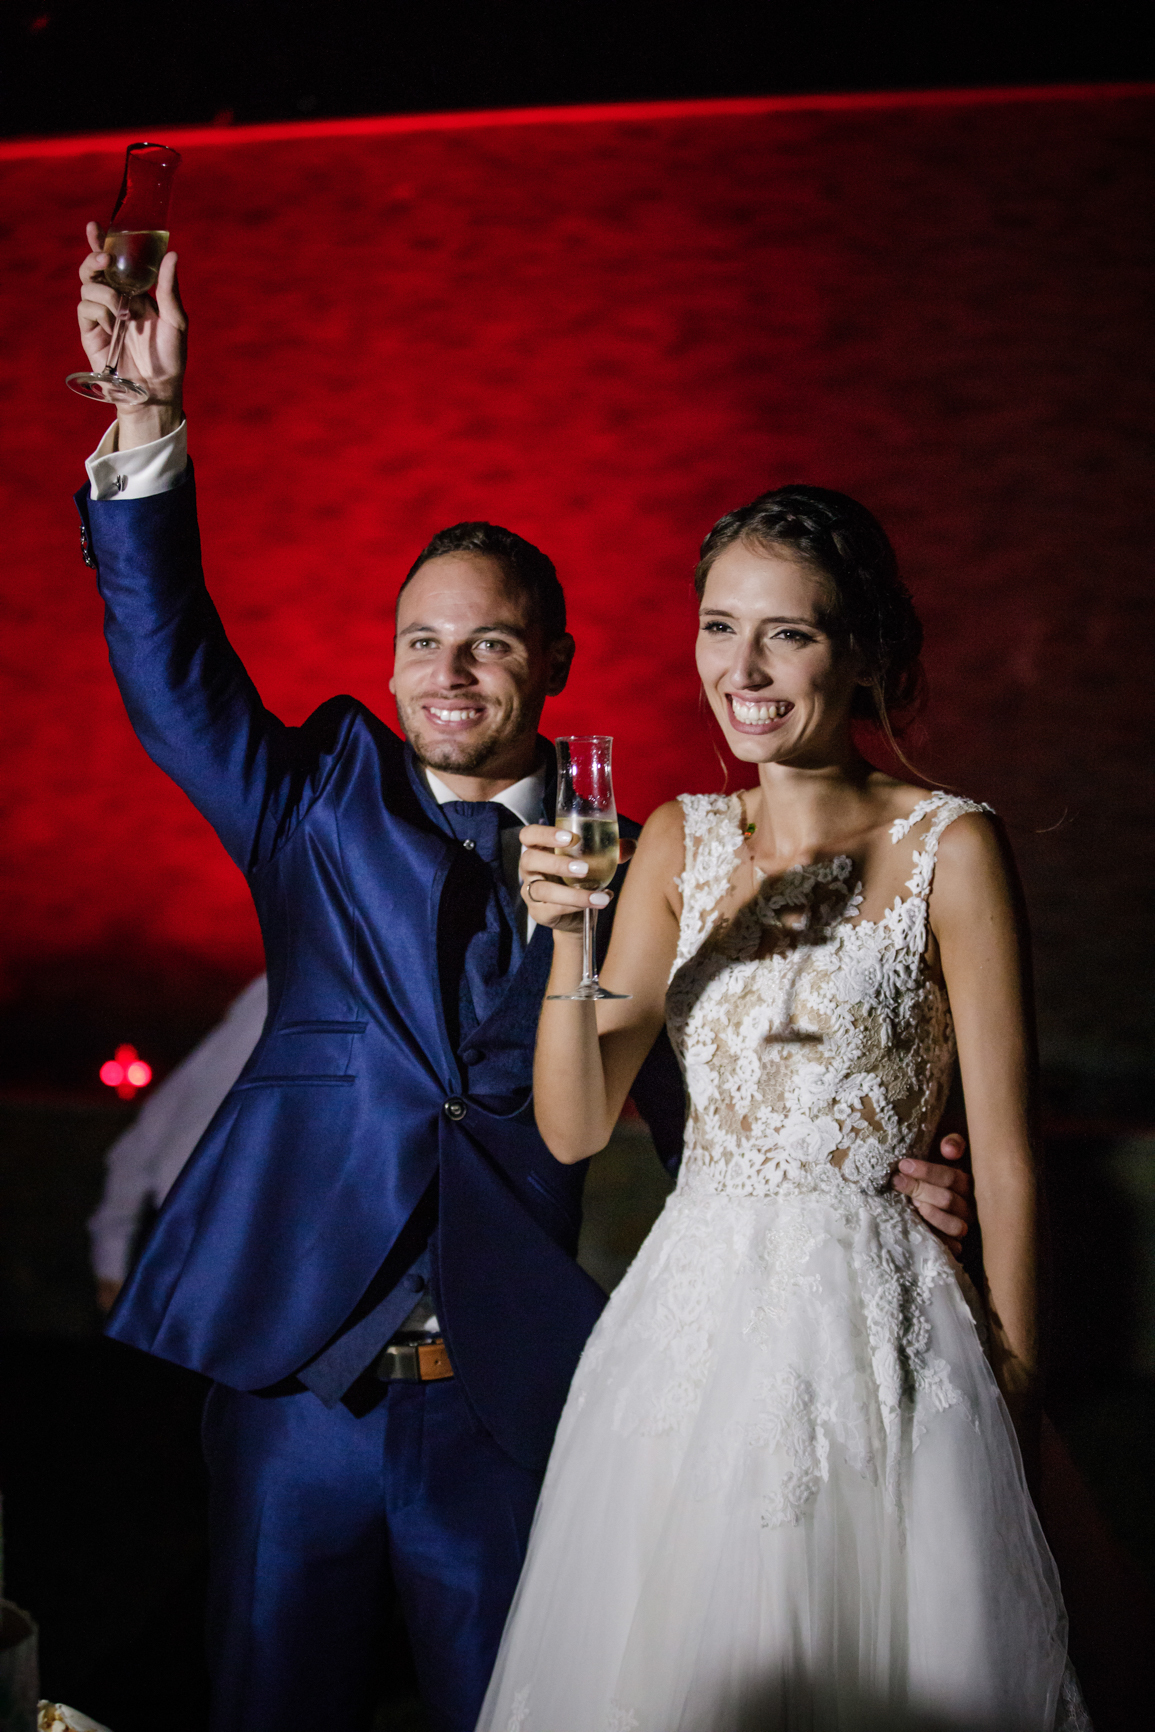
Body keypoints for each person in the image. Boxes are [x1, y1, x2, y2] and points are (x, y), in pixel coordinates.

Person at [71, 230, 974, 1732]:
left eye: (487, 644)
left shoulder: (648, 854)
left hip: (514, 1400)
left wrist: (881, 1175)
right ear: (389, 662)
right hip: (296, 1384)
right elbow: (169, 666)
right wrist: (148, 422)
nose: (448, 674)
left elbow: (713, 1090)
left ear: (553, 661)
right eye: (421, 643)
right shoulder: (311, 802)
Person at [483, 486, 1090, 1731]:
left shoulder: (952, 846)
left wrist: (1016, 1397)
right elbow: (576, 1126)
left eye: (788, 634)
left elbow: (1011, 1160)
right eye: (719, 627)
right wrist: (568, 939)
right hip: (689, 1342)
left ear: (862, 650)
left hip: (886, 1341)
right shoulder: (676, 839)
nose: (742, 671)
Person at [89, 975, 268, 1313]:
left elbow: (138, 1145)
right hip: (206, 1236)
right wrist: (112, 1255)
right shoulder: (275, 1011)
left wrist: (111, 1255)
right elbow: (139, 1145)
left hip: (221, 1240)